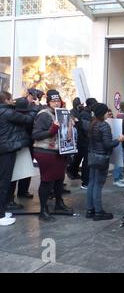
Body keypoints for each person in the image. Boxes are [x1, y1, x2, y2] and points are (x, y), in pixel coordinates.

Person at [32, 89, 73, 222]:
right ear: (48, 102)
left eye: (58, 101)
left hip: (60, 151)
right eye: (53, 101)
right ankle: (43, 210)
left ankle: (59, 204)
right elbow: (36, 135)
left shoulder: (61, 113)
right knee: (47, 180)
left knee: (60, 179)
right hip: (46, 152)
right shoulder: (43, 114)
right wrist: (53, 129)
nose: (56, 103)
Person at [86, 103, 124, 221]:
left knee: (91, 183)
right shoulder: (104, 125)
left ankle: (90, 210)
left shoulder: (92, 124)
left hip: (92, 156)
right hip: (101, 158)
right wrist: (118, 140)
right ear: (103, 113)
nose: (109, 113)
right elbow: (108, 144)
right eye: (107, 111)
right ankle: (98, 212)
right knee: (98, 184)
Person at [0, 91, 34, 226]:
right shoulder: (6, 112)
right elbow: (28, 119)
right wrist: (33, 108)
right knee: (4, 181)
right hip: (7, 149)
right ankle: (1, 215)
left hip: (3, 148)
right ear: (6, 100)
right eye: (11, 99)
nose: (12, 102)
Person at [6, 97, 37, 210]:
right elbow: (28, 120)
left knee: (24, 171)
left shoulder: (12, 113)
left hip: (22, 145)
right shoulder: (12, 115)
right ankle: (10, 199)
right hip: (17, 146)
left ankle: (22, 192)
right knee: (14, 174)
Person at [68, 97, 97, 190]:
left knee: (81, 159)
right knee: (86, 162)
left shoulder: (88, 113)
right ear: (90, 105)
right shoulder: (85, 114)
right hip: (84, 141)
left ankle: (74, 172)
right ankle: (85, 182)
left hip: (84, 141)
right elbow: (87, 127)